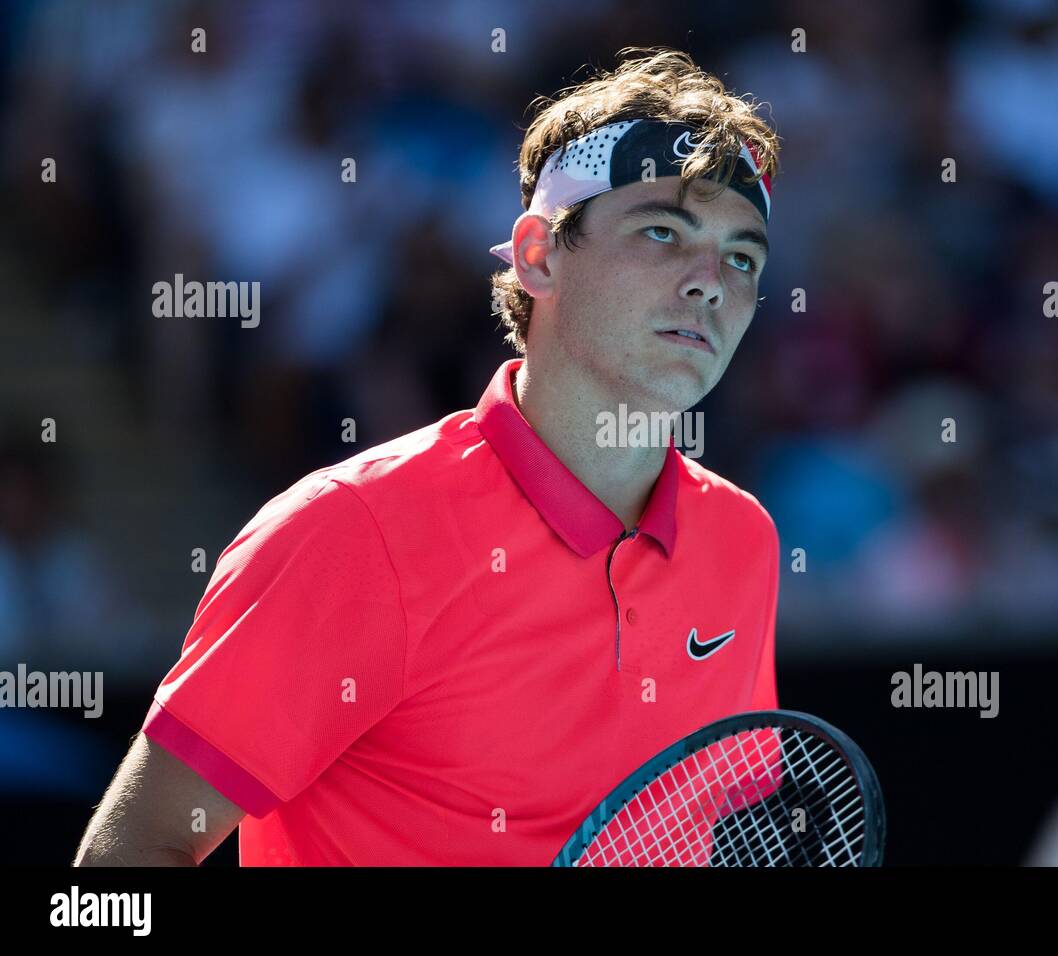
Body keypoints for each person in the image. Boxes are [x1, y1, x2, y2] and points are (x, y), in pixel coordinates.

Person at [75, 46, 783, 866]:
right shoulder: (350, 529)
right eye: (663, 231)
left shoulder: (744, 540)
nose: (711, 282)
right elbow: (119, 868)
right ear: (538, 255)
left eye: (743, 257)